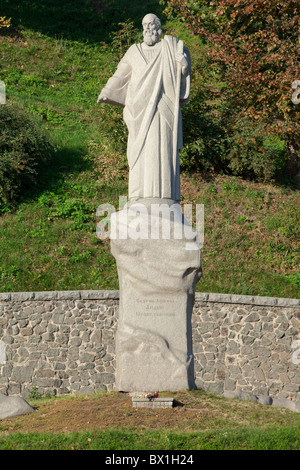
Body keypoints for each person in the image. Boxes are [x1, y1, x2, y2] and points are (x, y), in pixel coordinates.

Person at [97, 13, 191, 201]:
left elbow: (182, 79)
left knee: (163, 149)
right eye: (144, 25)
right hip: (138, 111)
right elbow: (120, 75)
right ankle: (139, 196)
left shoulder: (170, 48)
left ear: (159, 27)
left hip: (163, 109)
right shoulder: (134, 51)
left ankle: (163, 196)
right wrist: (107, 91)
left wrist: (183, 64)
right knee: (140, 153)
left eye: (151, 24)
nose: (147, 28)